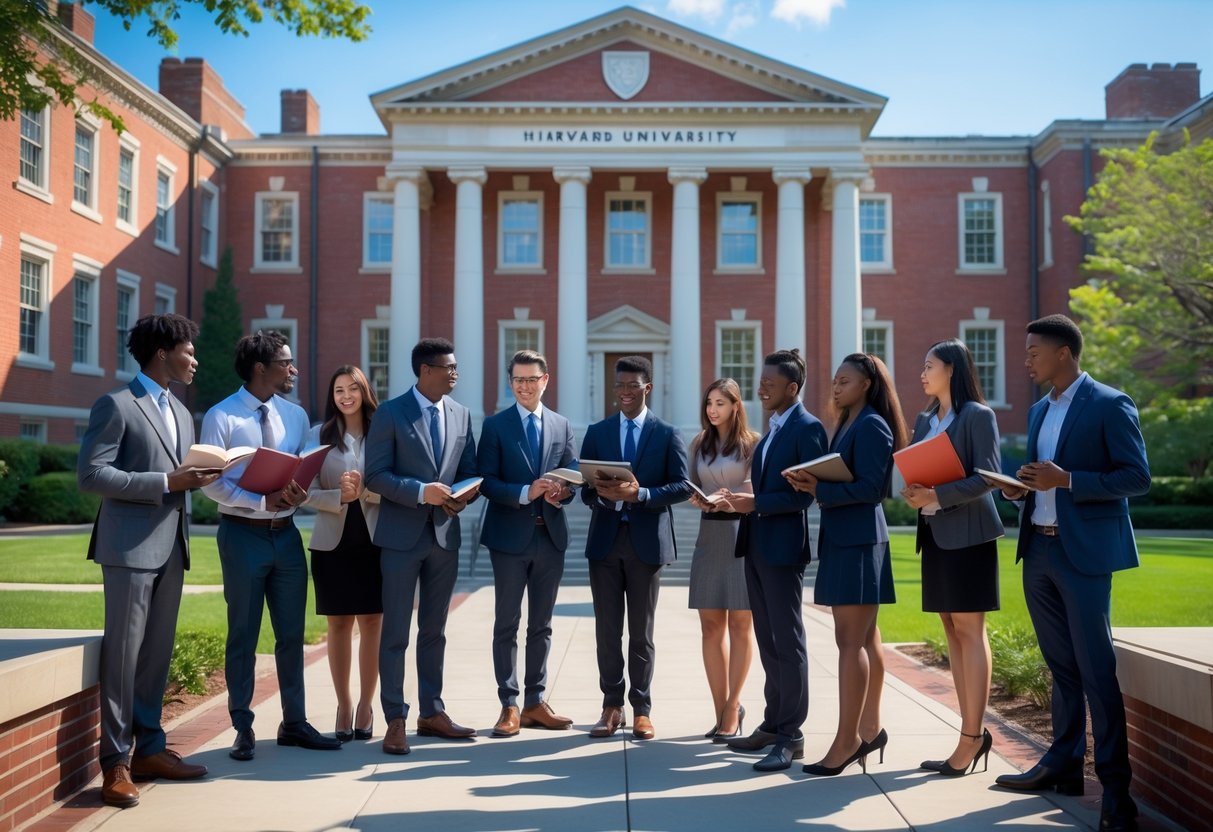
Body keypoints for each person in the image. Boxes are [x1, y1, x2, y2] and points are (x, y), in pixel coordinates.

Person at [994, 315, 1150, 832]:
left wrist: (1068, 480)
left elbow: (1136, 477)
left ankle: (1116, 794)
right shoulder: (1040, 410)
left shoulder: (1110, 403)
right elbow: (1044, 479)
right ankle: (1062, 766)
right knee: (1061, 669)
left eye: (1034, 350)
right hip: (1038, 551)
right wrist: (1020, 488)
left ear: (1064, 352)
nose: (1027, 359)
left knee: (1096, 673)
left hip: (1083, 557)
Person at [77, 313, 217, 808]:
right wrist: (164, 484)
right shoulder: (115, 404)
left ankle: (150, 750)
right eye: (189, 351)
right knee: (122, 657)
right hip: (129, 550)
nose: (194, 359)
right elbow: (92, 475)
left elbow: (180, 475)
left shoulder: (181, 412)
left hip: (173, 546)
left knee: (156, 657)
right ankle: (115, 763)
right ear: (163, 353)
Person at [201, 330, 342, 760]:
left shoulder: (296, 415)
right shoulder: (221, 416)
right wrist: (258, 499)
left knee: (291, 635)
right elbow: (210, 485)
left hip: (286, 538)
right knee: (242, 634)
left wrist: (300, 491)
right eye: (286, 363)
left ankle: (294, 722)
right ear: (261, 368)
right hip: (241, 535)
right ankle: (242, 726)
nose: (293, 370)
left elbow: (301, 468)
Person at [787, 353, 907, 777]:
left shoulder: (872, 424)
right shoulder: (848, 424)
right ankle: (870, 728)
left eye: (845, 381)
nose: (836, 387)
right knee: (865, 637)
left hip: (859, 540)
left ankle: (848, 740)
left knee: (849, 642)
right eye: (835, 380)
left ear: (867, 385)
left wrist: (820, 486)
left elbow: (873, 489)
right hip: (844, 537)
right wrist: (812, 482)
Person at [365, 337, 480, 756]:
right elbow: (374, 476)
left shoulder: (462, 414)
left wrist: (465, 493)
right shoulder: (391, 413)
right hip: (400, 538)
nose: (455, 373)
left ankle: (432, 712)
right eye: (448, 367)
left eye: (456, 367)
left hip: (445, 536)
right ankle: (394, 718)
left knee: (435, 631)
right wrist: (419, 492)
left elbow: (470, 471)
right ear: (425, 371)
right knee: (395, 632)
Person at [720, 349, 828, 773]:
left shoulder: (808, 428)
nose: (760, 387)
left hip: (783, 548)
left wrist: (756, 503)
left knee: (789, 642)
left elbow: (806, 494)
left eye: (769, 382)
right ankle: (772, 722)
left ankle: (792, 736)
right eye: (760, 379)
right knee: (768, 639)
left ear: (792, 388)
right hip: (758, 545)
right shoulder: (773, 428)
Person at [900, 339, 1005, 777]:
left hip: (971, 536)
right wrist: (914, 492)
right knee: (949, 626)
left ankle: (971, 736)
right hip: (936, 534)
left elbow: (988, 476)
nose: (923, 374)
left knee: (969, 627)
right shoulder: (926, 419)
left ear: (952, 369)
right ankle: (969, 733)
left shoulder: (978, 416)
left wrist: (937, 494)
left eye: (930, 366)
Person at [579, 355, 691, 741]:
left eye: (632, 385)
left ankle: (642, 709)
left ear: (648, 387)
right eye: (619, 385)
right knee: (607, 631)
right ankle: (612, 707)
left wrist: (640, 493)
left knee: (641, 633)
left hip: (647, 544)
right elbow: (586, 492)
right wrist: (606, 496)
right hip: (606, 543)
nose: (624, 392)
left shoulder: (667, 433)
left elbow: (681, 485)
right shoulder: (598, 431)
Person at [477, 350, 577, 737]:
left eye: (531, 379)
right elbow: (485, 480)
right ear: (511, 382)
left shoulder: (561, 424)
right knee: (507, 623)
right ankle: (509, 704)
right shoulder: (496, 425)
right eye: (517, 380)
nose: (524, 386)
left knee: (542, 625)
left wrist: (561, 494)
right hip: (509, 540)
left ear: (545, 380)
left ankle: (535, 702)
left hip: (550, 537)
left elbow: (571, 477)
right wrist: (525, 491)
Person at [307, 365, 383, 742]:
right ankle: (343, 704)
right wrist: (339, 496)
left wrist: (366, 492)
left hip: (375, 541)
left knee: (372, 622)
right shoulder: (317, 436)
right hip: (331, 542)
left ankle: (367, 705)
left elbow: (397, 486)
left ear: (364, 391)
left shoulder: (383, 433)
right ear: (332, 396)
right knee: (338, 623)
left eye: (353, 388)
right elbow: (301, 491)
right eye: (339, 390)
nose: (346, 396)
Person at [686, 378, 759, 742]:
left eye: (720, 403)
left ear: (735, 405)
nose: (713, 409)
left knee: (740, 626)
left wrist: (732, 497)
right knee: (710, 628)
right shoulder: (698, 443)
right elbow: (689, 484)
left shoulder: (752, 443)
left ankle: (734, 707)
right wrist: (699, 499)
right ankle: (720, 710)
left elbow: (754, 490)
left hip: (741, 535)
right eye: (709, 403)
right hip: (708, 536)